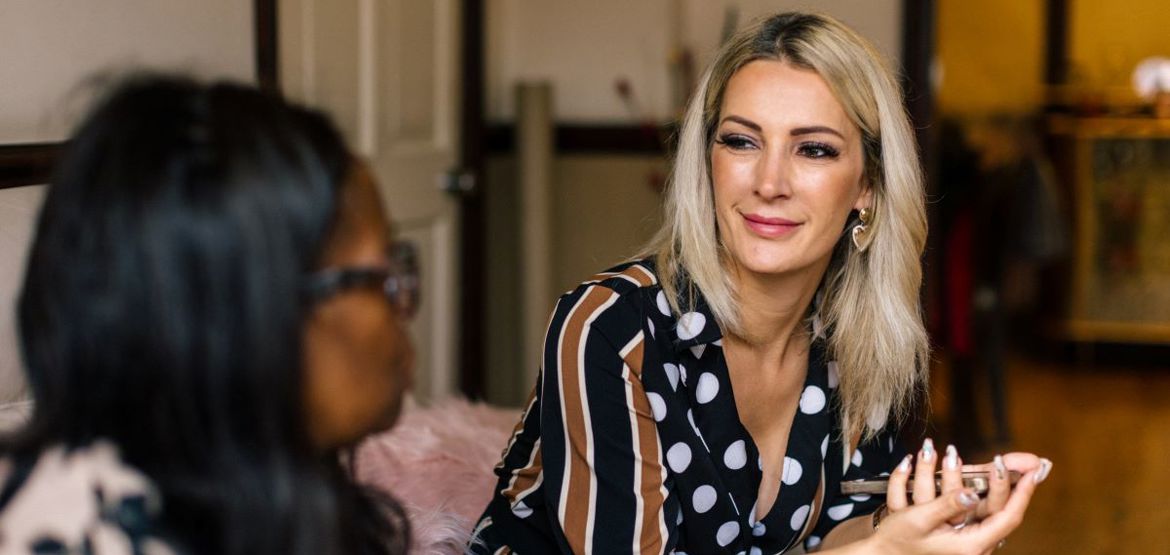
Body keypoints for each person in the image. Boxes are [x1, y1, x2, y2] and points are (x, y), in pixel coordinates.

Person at [471, 12, 1050, 554]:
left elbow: (834, 531)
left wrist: (917, 525)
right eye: (742, 141)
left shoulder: (858, 344)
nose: (770, 182)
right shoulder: (611, 330)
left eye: (814, 149)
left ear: (867, 188)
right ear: (708, 163)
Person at [0, 75, 417, 554]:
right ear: (251, 316)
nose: (404, 305)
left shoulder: (265, 495)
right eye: (383, 277)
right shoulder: (90, 537)